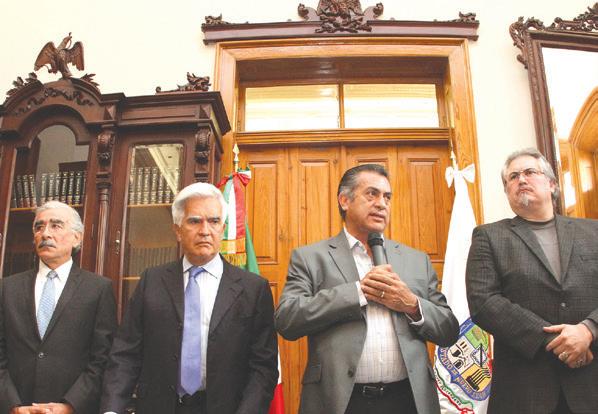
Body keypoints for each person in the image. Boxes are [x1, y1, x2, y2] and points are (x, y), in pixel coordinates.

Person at [275, 164, 459, 414]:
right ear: (344, 200)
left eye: (387, 197)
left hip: (407, 401)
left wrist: (411, 305)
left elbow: (448, 330)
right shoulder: (310, 258)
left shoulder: (417, 260)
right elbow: (287, 319)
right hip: (341, 402)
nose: (382, 204)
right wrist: (358, 293)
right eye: (371, 194)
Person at [101, 182, 278, 414]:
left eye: (214, 221)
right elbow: (125, 353)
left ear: (223, 228)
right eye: (195, 221)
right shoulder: (152, 281)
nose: (205, 230)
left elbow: (263, 367)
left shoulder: (253, 288)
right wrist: (112, 409)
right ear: (177, 230)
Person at [466, 148, 598, 413]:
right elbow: (484, 302)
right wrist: (556, 341)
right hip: (524, 390)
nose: (521, 180)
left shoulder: (593, 231)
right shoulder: (488, 236)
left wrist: (588, 330)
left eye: (529, 172)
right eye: (513, 177)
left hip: (590, 382)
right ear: (507, 191)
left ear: (551, 184)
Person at [0, 201, 117, 414]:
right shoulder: (7, 288)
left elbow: (102, 358)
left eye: (56, 225)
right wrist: (12, 406)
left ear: (76, 238)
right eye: (39, 227)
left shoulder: (98, 289)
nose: (45, 233)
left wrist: (70, 405)